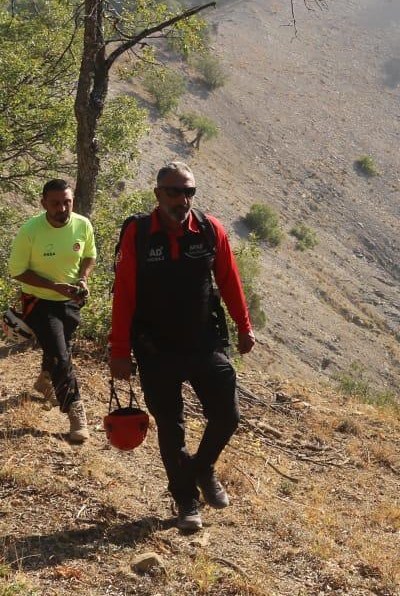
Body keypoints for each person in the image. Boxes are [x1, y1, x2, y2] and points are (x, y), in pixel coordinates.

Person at [107, 161, 256, 532]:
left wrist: (244, 327)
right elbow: (123, 293)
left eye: (189, 191)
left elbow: (230, 279)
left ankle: (202, 467)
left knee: (228, 415)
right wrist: (119, 350)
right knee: (171, 428)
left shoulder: (209, 229)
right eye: (175, 191)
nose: (183, 199)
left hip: (204, 343)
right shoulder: (138, 234)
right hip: (156, 349)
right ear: (158, 194)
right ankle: (186, 500)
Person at [8, 179, 97, 444]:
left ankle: (46, 378)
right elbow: (18, 271)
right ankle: (75, 412)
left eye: (67, 202)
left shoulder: (82, 224)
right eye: (56, 203)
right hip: (38, 301)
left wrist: (83, 278)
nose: (62, 208)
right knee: (61, 354)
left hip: (70, 301)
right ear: (43, 202)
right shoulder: (31, 230)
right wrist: (53, 286)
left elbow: (90, 255)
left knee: (59, 349)